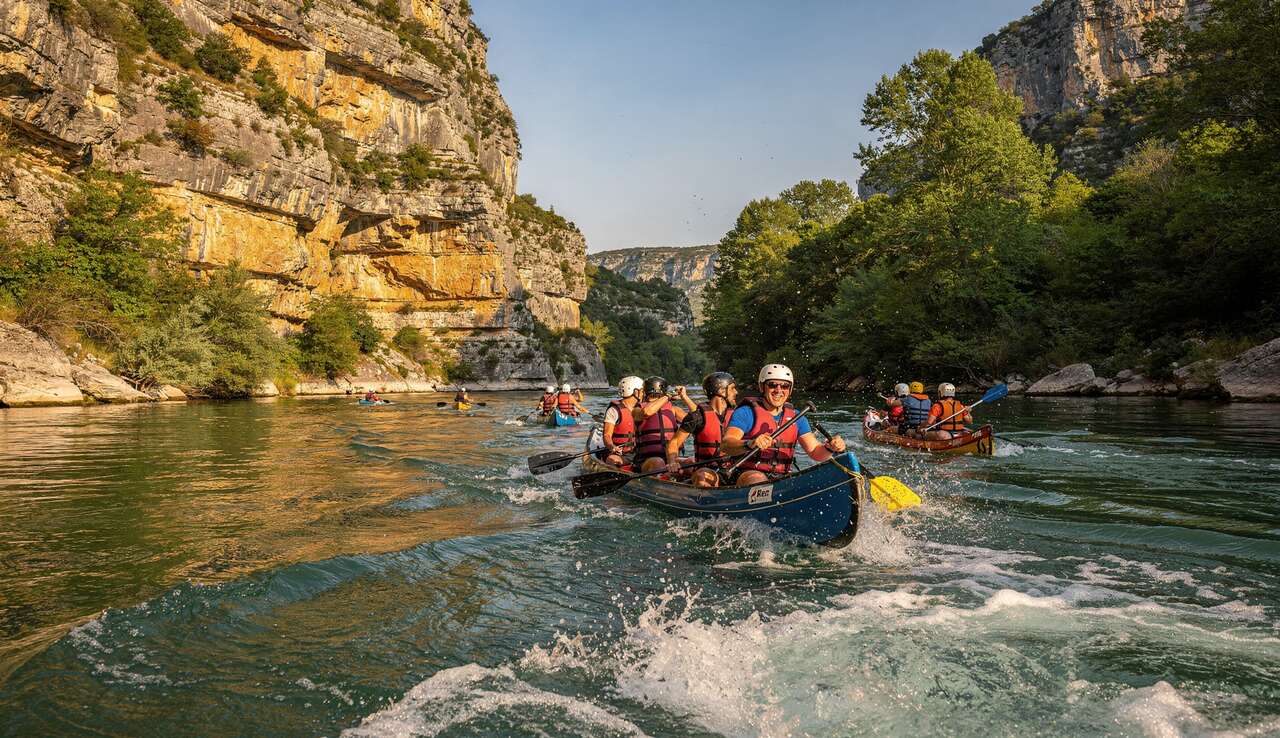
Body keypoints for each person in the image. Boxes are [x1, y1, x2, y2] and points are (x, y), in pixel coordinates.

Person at [719, 364, 846, 486]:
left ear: (789, 390)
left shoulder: (797, 417)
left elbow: (815, 453)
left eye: (785, 386)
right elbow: (726, 444)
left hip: (782, 476)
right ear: (762, 387)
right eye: (773, 385)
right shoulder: (746, 412)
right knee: (757, 479)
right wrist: (750, 443)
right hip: (748, 474)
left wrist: (830, 448)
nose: (778, 390)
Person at [664, 372, 738, 487]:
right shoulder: (696, 417)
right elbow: (674, 443)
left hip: (733, 469)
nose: (736, 392)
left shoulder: (738, 415)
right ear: (721, 391)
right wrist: (672, 462)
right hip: (707, 470)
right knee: (702, 476)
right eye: (733, 389)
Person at [634, 376, 694, 473]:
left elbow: (698, 418)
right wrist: (668, 396)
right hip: (645, 460)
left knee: (690, 462)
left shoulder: (674, 410)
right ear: (664, 391)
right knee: (658, 462)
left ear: (645, 391)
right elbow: (647, 412)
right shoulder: (637, 410)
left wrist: (685, 397)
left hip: (671, 459)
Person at [601, 376, 643, 468]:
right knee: (612, 460)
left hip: (640, 453)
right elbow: (607, 435)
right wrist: (612, 447)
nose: (644, 393)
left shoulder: (645, 408)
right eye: (642, 390)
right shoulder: (614, 410)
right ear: (635, 392)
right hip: (622, 454)